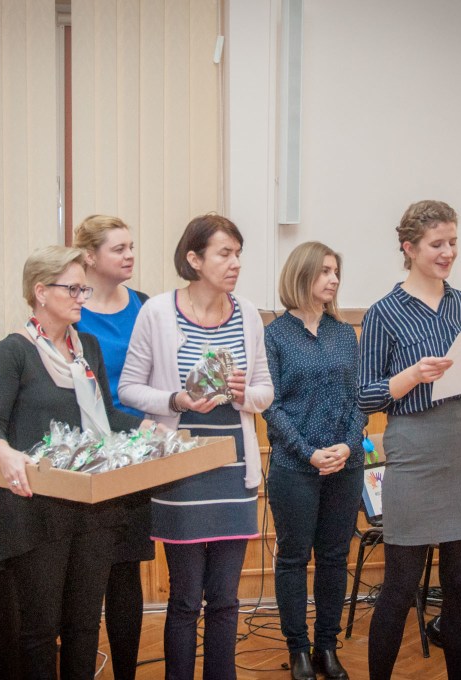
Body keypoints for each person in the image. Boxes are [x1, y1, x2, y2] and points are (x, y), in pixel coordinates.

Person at [0, 245, 149, 680]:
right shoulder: (12, 352)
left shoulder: (87, 347)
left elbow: (107, 417)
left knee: (84, 626)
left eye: (83, 289)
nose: (81, 298)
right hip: (37, 510)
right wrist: (4, 453)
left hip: (93, 508)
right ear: (40, 292)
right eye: (73, 289)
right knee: (40, 631)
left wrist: (151, 428)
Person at [357, 200, 461, 680]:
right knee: (400, 585)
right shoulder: (383, 313)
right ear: (409, 248)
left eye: (453, 242)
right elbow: (365, 395)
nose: (448, 252)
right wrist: (412, 375)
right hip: (414, 450)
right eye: (436, 244)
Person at [119, 213, 273, 680]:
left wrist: (243, 394)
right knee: (186, 599)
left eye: (238, 254)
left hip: (235, 473)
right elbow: (128, 388)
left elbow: (265, 392)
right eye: (225, 253)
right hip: (180, 473)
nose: (235, 263)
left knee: (225, 599)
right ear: (194, 258)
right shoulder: (157, 312)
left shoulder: (248, 314)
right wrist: (176, 400)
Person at [263, 241, 367, 680]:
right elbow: (270, 405)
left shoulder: (344, 334)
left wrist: (348, 444)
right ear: (302, 273)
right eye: (325, 270)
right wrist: (308, 451)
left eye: (336, 271)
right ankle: (299, 650)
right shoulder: (274, 335)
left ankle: (327, 646)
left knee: (334, 558)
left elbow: (359, 399)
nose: (333, 279)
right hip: (294, 468)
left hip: (345, 465)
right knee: (292, 558)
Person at [74, 215, 151, 680]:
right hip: (89, 456)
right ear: (89, 257)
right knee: (86, 576)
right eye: (118, 248)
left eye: (131, 246)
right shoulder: (72, 310)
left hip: (138, 453)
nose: (129, 255)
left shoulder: (144, 305)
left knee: (126, 572)